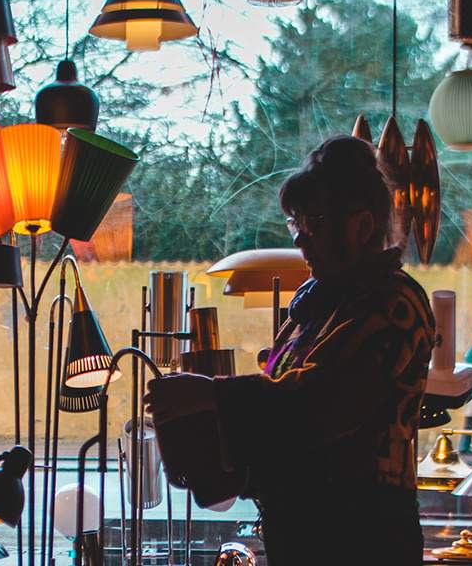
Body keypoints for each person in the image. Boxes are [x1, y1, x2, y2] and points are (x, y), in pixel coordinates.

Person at [145, 135, 435, 564]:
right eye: (295, 223)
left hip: (363, 537)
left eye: (315, 221)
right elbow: (281, 409)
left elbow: (322, 402)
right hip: (303, 535)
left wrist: (209, 394)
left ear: (362, 226)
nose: (301, 240)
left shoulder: (394, 304)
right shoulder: (317, 306)